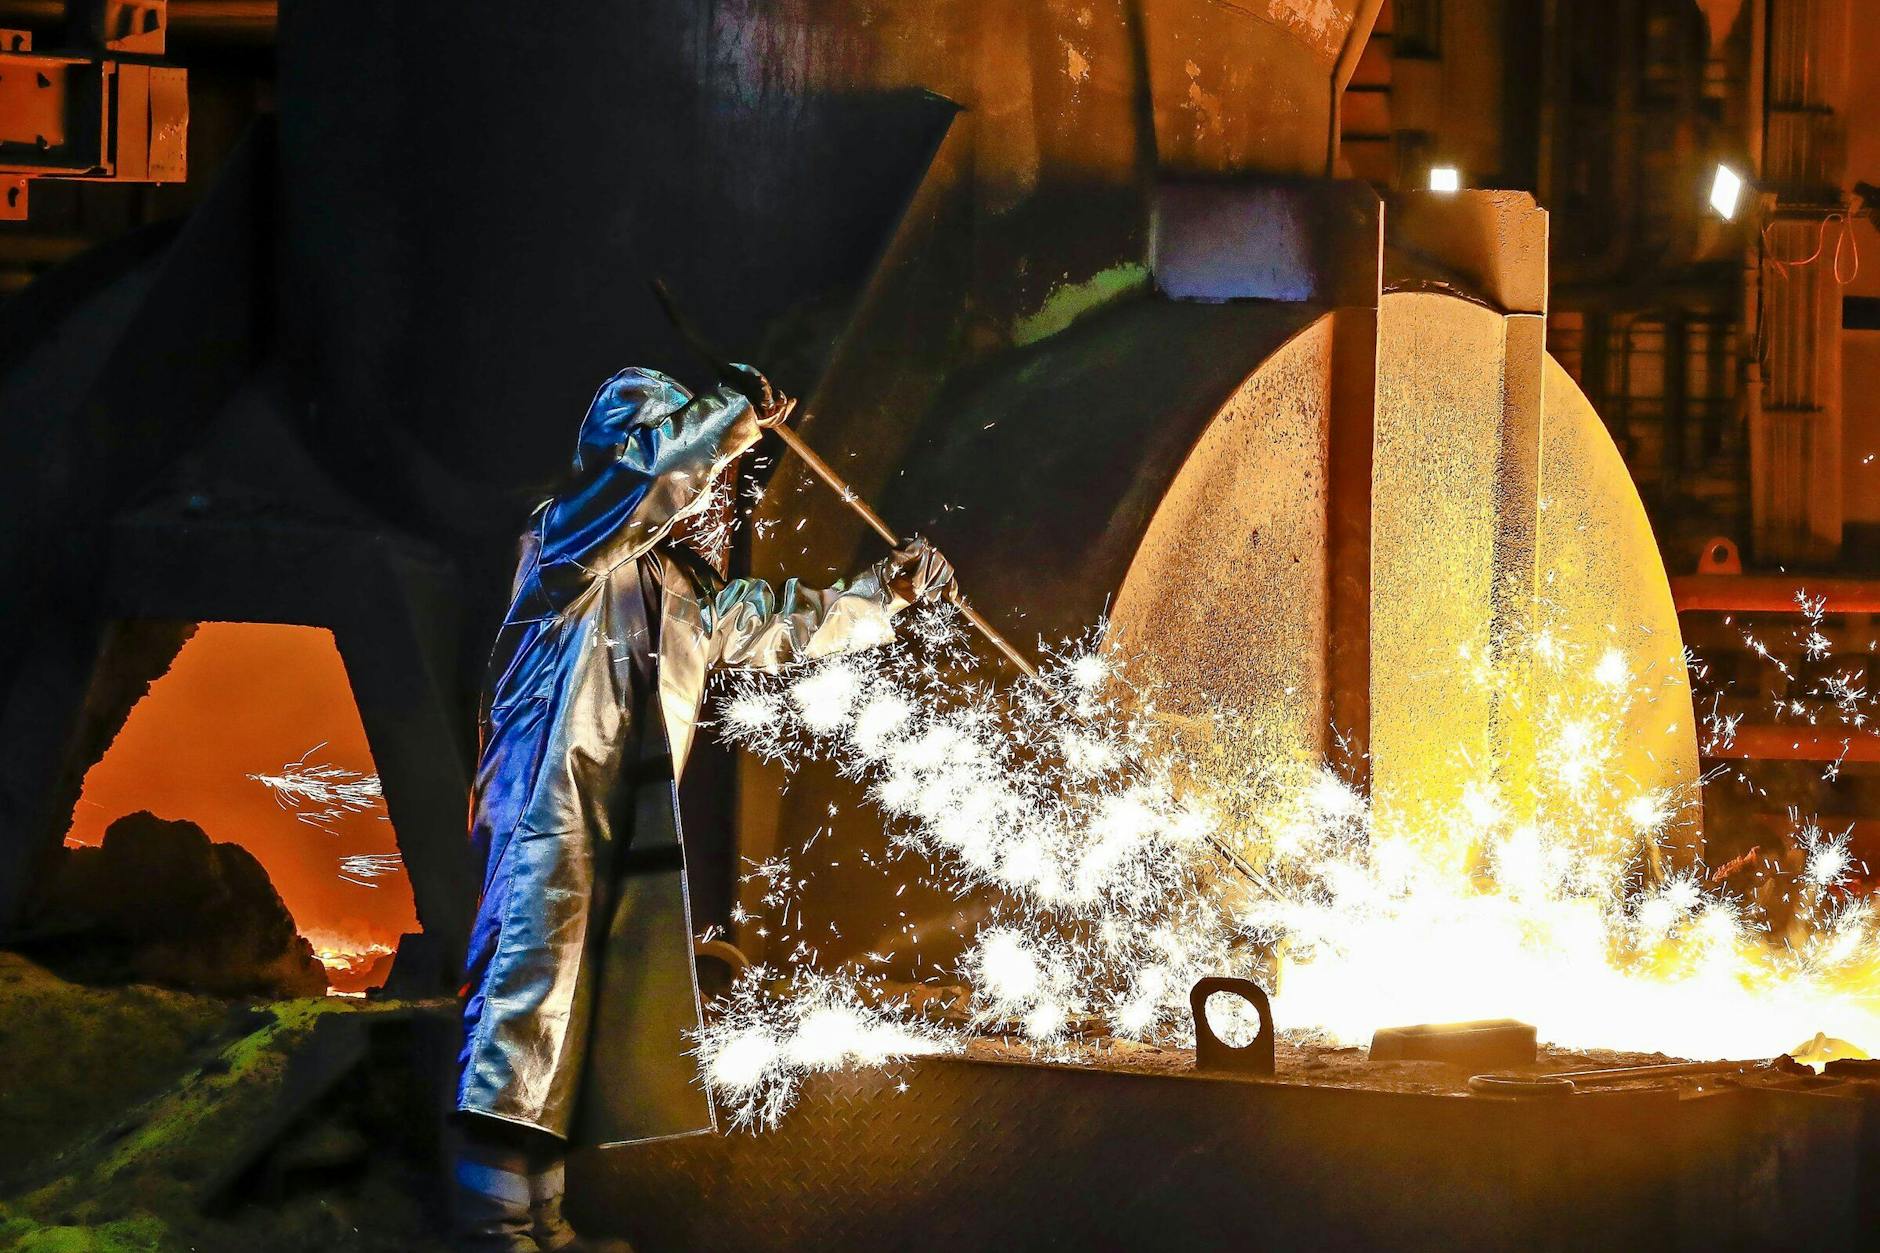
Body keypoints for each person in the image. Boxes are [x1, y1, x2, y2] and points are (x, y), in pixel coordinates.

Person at [449, 365, 954, 1252]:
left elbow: (783, 622)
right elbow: (646, 483)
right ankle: (491, 1226)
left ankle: (542, 1218)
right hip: (544, 812)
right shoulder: (561, 548)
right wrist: (729, 421)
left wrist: (889, 593)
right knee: (523, 1005)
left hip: (615, 830)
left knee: (582, 1019)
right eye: (685, 454)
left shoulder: (677, 593)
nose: (708, 491)